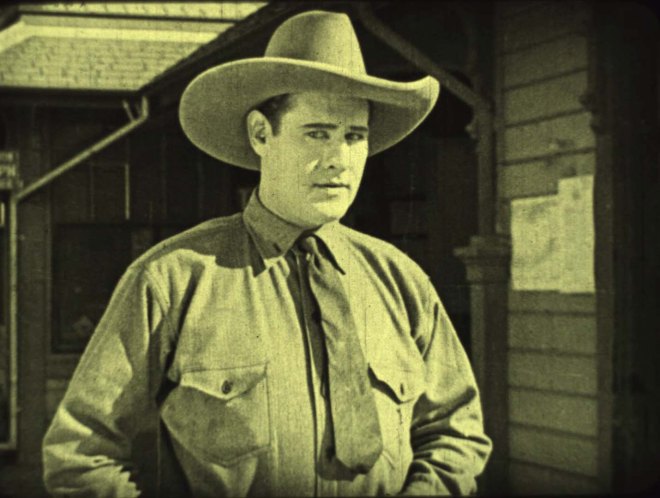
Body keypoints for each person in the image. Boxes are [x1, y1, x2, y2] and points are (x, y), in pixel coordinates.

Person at [42, 10, 491, 497]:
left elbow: (455, 432)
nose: (339, 160)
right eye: (317, 133)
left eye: (354, 136)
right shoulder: (173, 280)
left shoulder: (401, 282)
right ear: (261, 134)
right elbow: (80, 454)